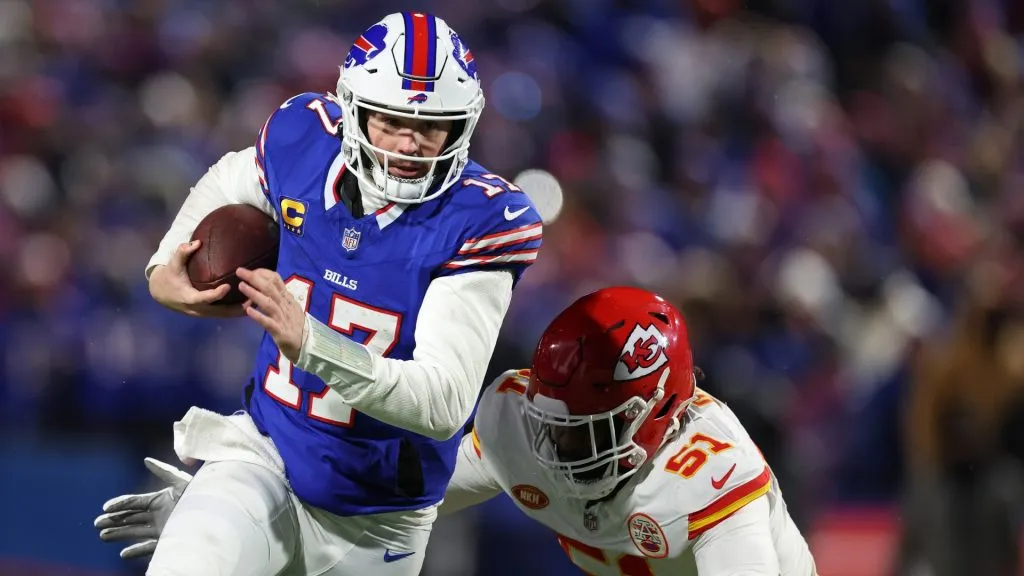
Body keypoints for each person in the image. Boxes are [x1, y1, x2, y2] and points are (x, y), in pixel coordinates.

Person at [122, 10, 543, 576]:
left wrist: (312, 343)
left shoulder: (481, 219)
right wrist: (164, 265)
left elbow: (442, 402)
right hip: (264, 457)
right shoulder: (305, 142)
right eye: (391, 121)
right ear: (353, 110)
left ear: (462, 125)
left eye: (431, 126)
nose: (411, 144)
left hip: (378, 520)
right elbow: (230, 177)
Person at [99, 288, 818, 575]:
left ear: (654, 415)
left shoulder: (712, 479)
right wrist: (235, 516)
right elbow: (377, 499)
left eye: (583, 435)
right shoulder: (526, 430)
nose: (553, 450)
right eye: (549, 425)